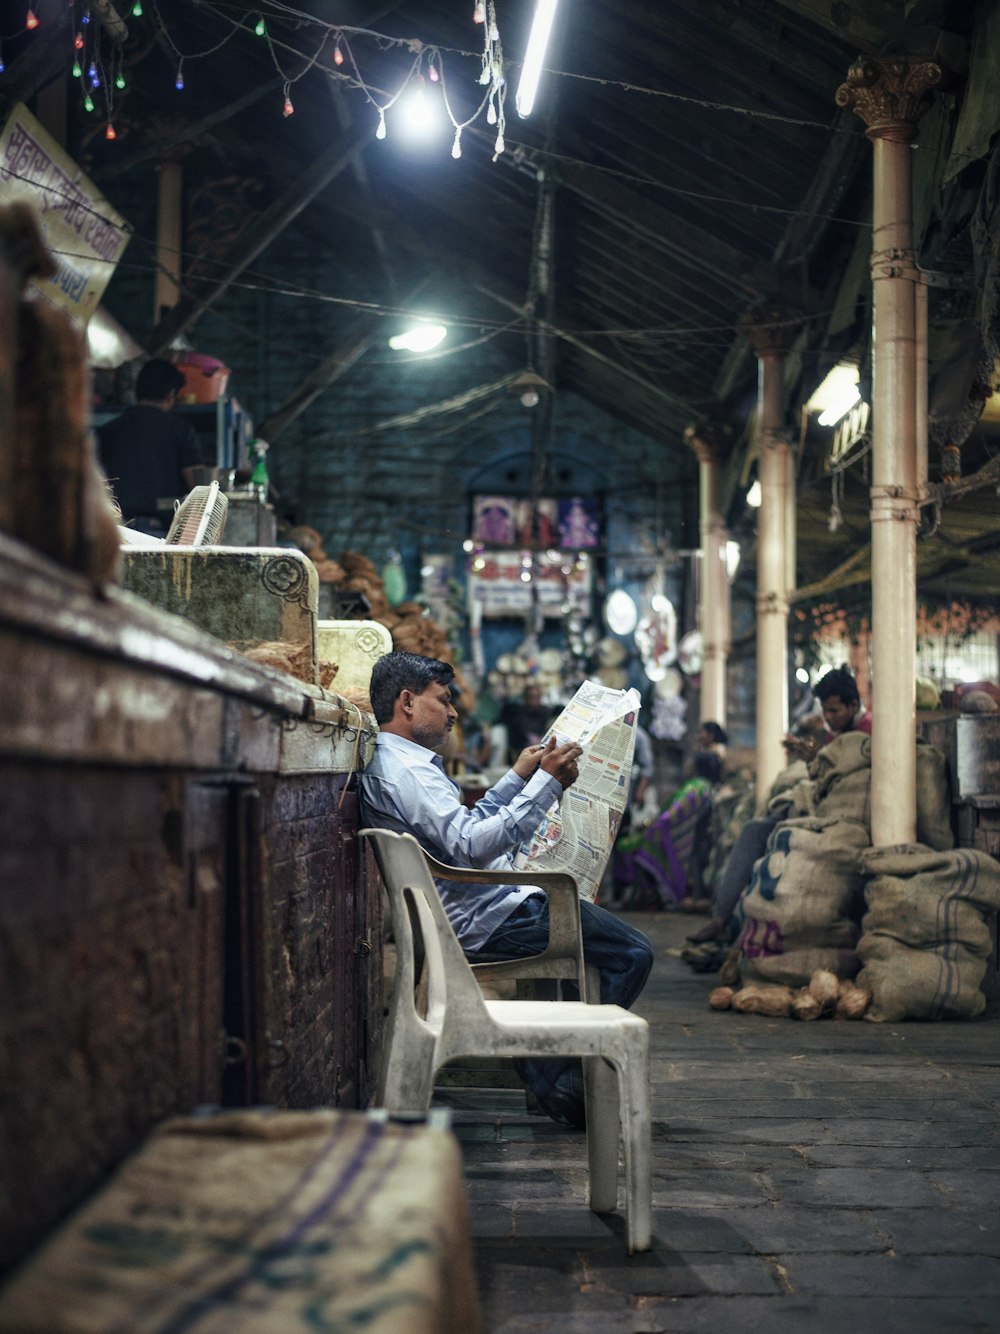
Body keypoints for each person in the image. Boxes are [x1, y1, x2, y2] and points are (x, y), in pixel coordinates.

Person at [360, 650, 654, 1130]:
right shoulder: (407, 772)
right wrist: (548, 786)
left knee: (584, 937)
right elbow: (474, 846)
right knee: (634, 953)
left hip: (486, 905)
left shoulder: (402, 765)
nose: (453, 712)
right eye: (443, 700)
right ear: (408, 703)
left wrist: (518, 778)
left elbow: (465, 827)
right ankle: (562, 1080)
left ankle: (550, 1074)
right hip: (490, 920)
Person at [687, 666, 871, 949]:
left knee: (764, 833)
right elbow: (826, 777)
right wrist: (813, 760)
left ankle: (727, 925)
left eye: (835, 711)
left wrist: (818, 763)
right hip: (823, 813)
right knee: (756, 830)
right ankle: (724, 921)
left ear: (854, 705)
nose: (829, 719)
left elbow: (850, 781)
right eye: (826, 712)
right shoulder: (836, 734)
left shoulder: (866, 731)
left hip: (846, 823)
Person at [96, 359, 203, 534]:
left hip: (115, 531)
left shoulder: (106, 432)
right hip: (160, 531)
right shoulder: (180, 431)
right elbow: (198, 488)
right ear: (171, 394)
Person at [500, 682, 553, 759]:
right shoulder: (518, 711)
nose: (534, 699)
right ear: (526, 697)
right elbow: (516, 729)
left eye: (536, 696)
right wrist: (528, 737)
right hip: (522, 745)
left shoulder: (545, 711)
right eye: (531, 696)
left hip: (542, 743)